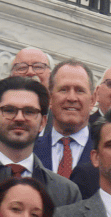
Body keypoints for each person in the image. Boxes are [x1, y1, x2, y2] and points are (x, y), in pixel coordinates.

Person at [0, 75, 80, 208]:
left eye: (29, 112)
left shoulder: (66, 192)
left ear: (43, 123)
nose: (19, 118)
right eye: (9, 110)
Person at [40, 61, 98, 191]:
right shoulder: (30, 150)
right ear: (50, 98)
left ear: (93, 100)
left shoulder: (105, 155)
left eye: (80, 90)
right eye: (64, 89)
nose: (72, 98)